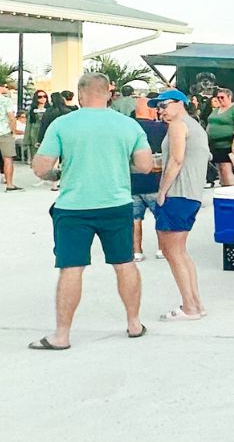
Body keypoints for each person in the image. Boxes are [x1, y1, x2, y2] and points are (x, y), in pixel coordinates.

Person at [27, 72, 156, 350]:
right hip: (116, 204)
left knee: (71, 268)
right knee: (124, 263)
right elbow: (145, 165)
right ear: (109, 94)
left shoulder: (62, 124)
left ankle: (62, 335)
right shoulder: (128, 125)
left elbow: (40, 167)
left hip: (73, 207)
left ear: (80, 95)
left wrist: (57, 174)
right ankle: (134, 323)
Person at [150, 88, 210, 321]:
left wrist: (162, 191)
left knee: (172, 251)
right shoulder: (195, 127)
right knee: (180, 251)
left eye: (164, 105)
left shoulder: (178, 125)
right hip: (190, 194)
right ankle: (195, 303)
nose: (161, 111)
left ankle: (190, 306)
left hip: (177, 193)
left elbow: (176, 159)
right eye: (158, 108)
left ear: (180, 103)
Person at [129, 93, 169, 262]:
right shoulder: (162, 128)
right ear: (151, 111)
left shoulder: (128, 128)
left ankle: (136, 251)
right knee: (160, 217)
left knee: (134, 219)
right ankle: (162, 249)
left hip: (132, 180)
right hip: (155, 179)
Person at [206, 87, 234, 188]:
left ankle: (230, 190)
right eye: (218, 97)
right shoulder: (216, 110)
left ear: (229, 97)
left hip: (227, 143)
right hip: (215, 144)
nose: (220, 99)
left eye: (222, 97)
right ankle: (224, 187)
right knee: (220, 169)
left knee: (226, 168)